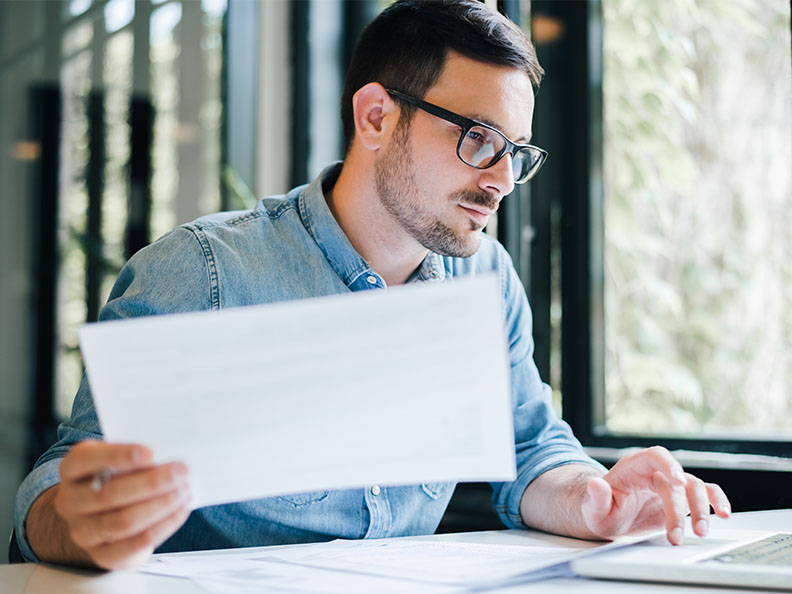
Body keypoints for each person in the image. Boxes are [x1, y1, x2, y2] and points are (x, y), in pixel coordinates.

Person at [14, 0, 730, 571]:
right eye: (479, 138)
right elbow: (56, 489)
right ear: (377, 117)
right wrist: (78, 522)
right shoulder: (203, 272)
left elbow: (530, 449)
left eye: (516, 152)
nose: (503, 179)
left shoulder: (485, 278)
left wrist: (596, 498)